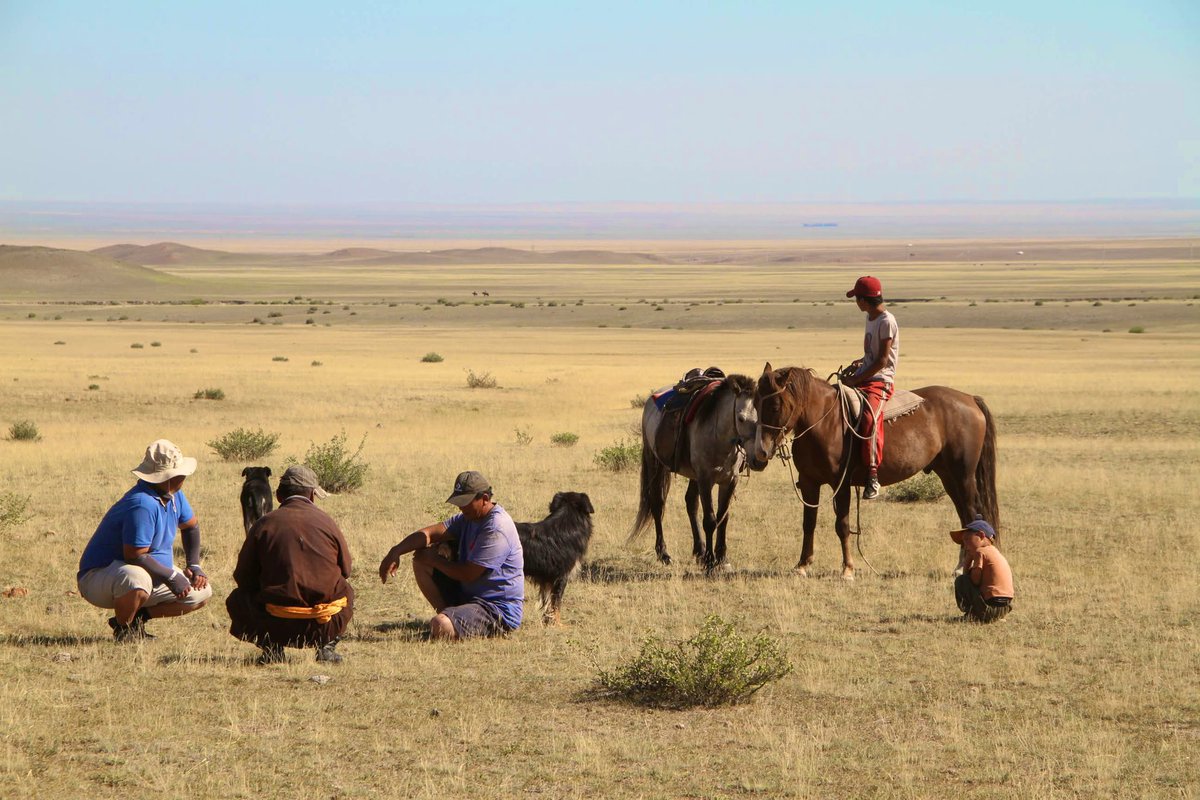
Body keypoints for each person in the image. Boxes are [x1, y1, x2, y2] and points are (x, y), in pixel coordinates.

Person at [76, 439, 212, 641]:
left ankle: (138, 618)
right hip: (99, 578)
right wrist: (172, 577)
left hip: (151, 574)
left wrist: (194, 565)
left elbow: (191, 526)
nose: (185, 476)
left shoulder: (174, 495)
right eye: (181, 473)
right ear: (169, 477)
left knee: (201, 592)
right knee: (136, 578)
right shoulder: (142, 504)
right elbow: (135, 556)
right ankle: (125, 629)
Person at [227, 465, 354, 665]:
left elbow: (243, 577)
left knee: (237, 599)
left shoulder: (264, 524)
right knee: (347, 591)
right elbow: (346, 569)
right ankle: (326, 647)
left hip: (275, 624)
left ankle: (272, 648)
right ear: (312, 496)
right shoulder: (327, 522)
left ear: (278, 496)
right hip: (323, 625)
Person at [378, 470, 523, 640]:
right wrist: (396, 551)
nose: (461, 507)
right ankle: (449, 616)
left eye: (466, 502)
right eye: (459, 502)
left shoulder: (497, 527)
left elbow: (469, 574)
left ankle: (449, 622)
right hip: (470, 598)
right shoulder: (468, 518)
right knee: (421, 559)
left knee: (441, 626)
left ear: (484, 499)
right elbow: (429, 534)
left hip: (496, 609)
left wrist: (435, 560)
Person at [843, 275, 900, 499]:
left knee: (869, 419)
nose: (856, 302)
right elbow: (872, 355)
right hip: (866, 374)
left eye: (857, 298)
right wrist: (859, 363)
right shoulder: (871, 317)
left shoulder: (886, 321)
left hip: (880, 380)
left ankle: (872, 474)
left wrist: (856, 380)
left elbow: (882, 361)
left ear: (865, 300)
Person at [951, 517, 1014, 623]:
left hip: (989, 609)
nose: (965, 546)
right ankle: (994, 617)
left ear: (981, 535)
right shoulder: (995, 552)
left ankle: (974, 615)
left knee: (962, 581)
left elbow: (974, 580)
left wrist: (967, 561)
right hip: (1004, 608)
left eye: (967, 540)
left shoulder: (980, 552)